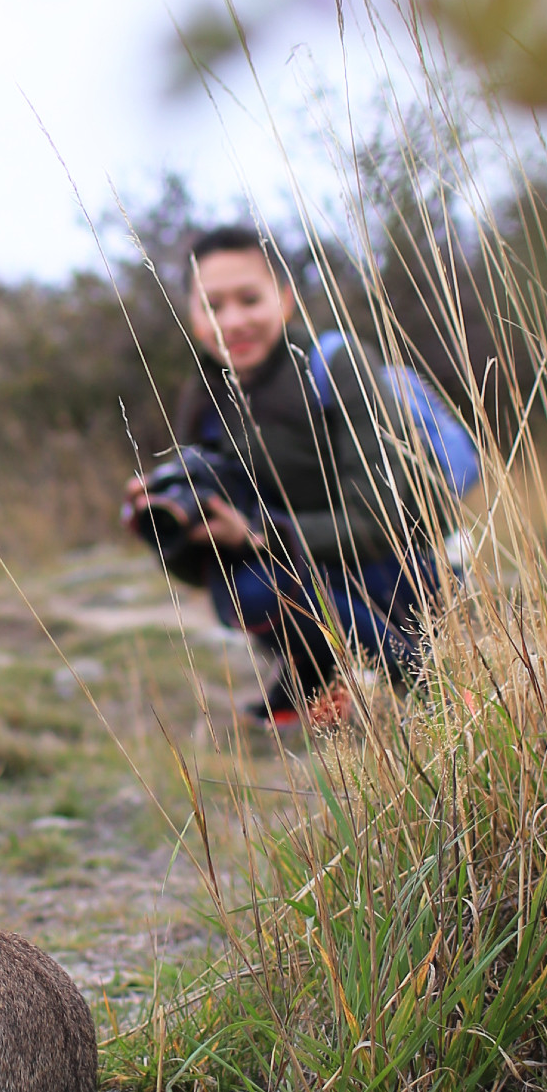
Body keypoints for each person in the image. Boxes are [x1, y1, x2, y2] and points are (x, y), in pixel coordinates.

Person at [124, 226, 445, 729]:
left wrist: (256, 534)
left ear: (286, 299)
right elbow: (207, 571)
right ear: (192, 313)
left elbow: (379, 521)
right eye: (213, 306)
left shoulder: (334, 365)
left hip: (400, 569)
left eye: (249, 299)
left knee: (261, 588)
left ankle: (430, 680)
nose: (232, 321)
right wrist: (174, 527)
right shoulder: (209, 394)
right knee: (239, 591)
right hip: (310, 570)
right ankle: (318, 678)